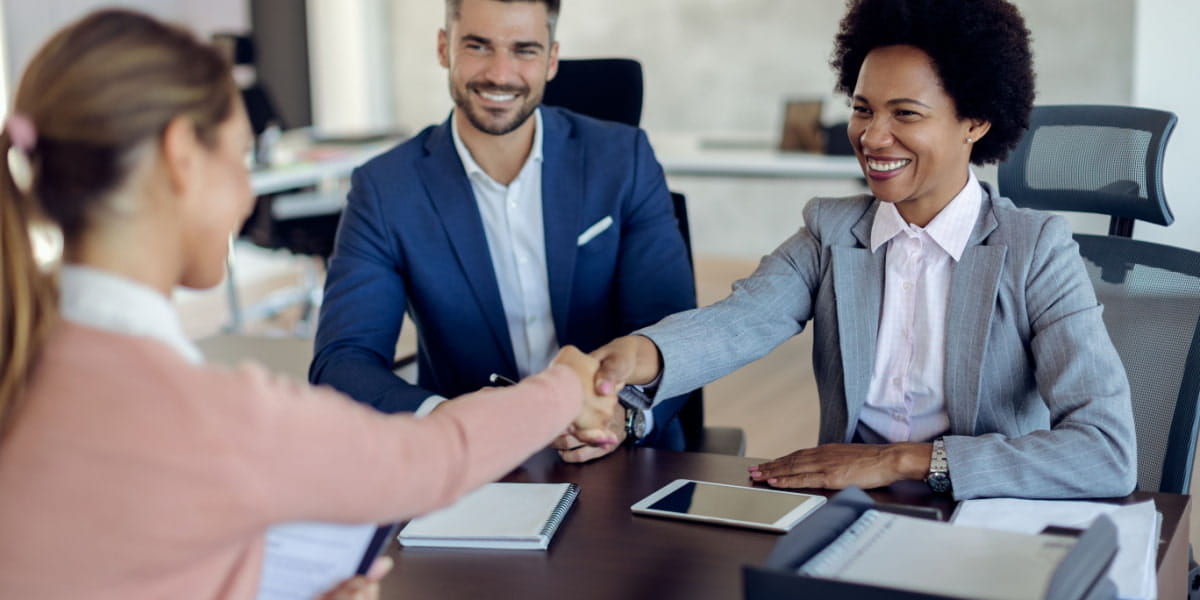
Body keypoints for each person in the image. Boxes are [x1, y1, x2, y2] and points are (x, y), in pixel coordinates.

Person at [0, 9, 617, 598]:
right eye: (241, 158)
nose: (248, 195)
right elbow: (436, 460)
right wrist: (564, 384)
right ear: (181, 156)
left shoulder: (23, 373)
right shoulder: (211, 420)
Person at [582, 0, 1137, 500]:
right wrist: (637, 356)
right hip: (850, 510)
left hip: (983, 512)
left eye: (905, 113)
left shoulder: (1035, 248)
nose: (872, 137)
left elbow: (1106, 450)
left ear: (975, 120)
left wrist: (900, 461)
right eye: (863, 108)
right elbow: (740, 321)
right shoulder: (832, 229)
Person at [309, 0, 696, 458]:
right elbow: (342, 361)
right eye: (477, 45)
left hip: (624, 457)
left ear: (551, 59)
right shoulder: (385, 189)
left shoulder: (623, 159)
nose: (499, 73)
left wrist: (624, 417)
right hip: (470, 463)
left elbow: (676, 332)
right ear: (443, 47)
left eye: (524, 50)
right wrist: (449, 419)